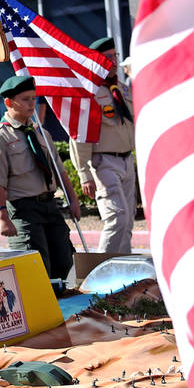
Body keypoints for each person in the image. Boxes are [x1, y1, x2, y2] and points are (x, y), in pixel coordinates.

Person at [0, 75, 81, 282]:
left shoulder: (41, 133)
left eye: (33, 98)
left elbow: (60, 171)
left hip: (49, 205)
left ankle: (59, 306)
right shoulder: (1, 137)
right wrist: (2, 218)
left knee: (64, 260)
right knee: (35, 267)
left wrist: (73, 199)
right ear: (9, 102)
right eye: (25, 99)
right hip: (23, 210)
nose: (31, 104)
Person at [69, 37, 138, 253]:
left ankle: (124, 270)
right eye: (107, 58)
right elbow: (79, 136)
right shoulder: (89, 94)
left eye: (114, 56)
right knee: (116, 217)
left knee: (128, 221)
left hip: (127, 160)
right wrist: (84, 174)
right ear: (96, 62)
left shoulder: (123, 90)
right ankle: (101, 268)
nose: (113, 61)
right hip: (104, 161)